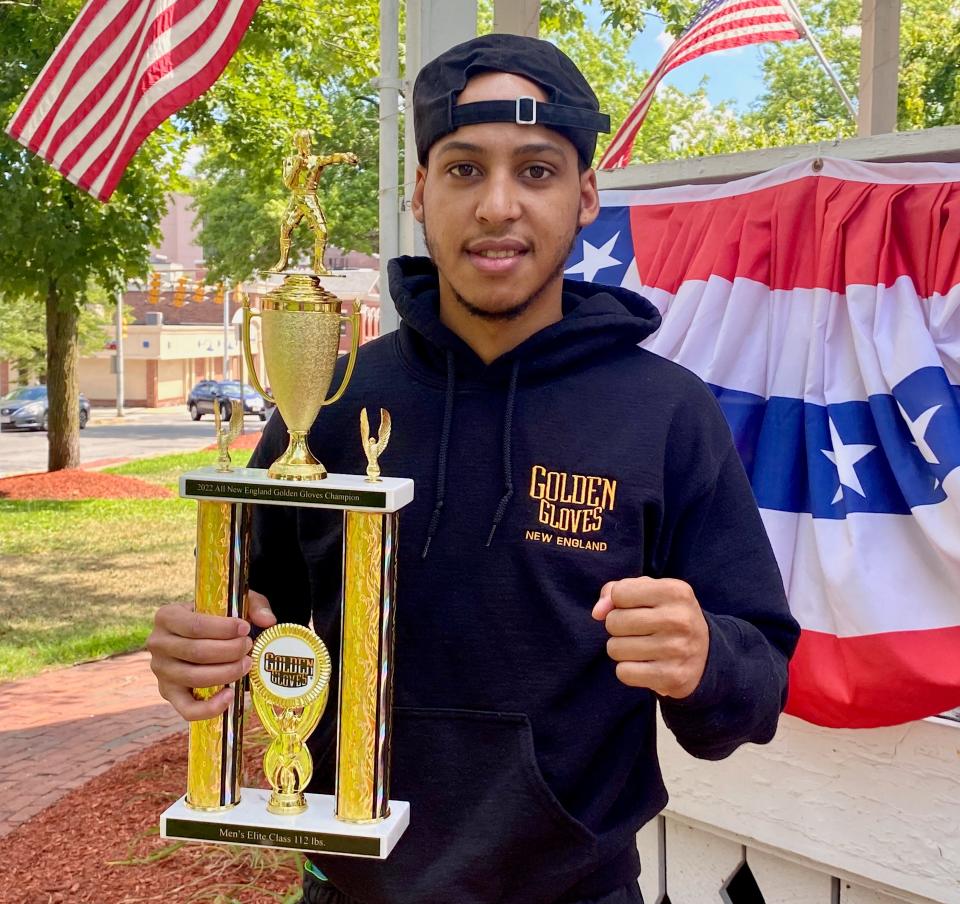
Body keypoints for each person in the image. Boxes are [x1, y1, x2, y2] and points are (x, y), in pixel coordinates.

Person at [149, 33, 800, 904]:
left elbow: (754, 697)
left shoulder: (668, 415)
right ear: (420, 192)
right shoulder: (334, 402)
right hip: (351, 888)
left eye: (537, 171)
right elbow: (249, 616)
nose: (498, 206)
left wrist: (706, 656)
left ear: (587, 196)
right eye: (463, 170)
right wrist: (201, 653)